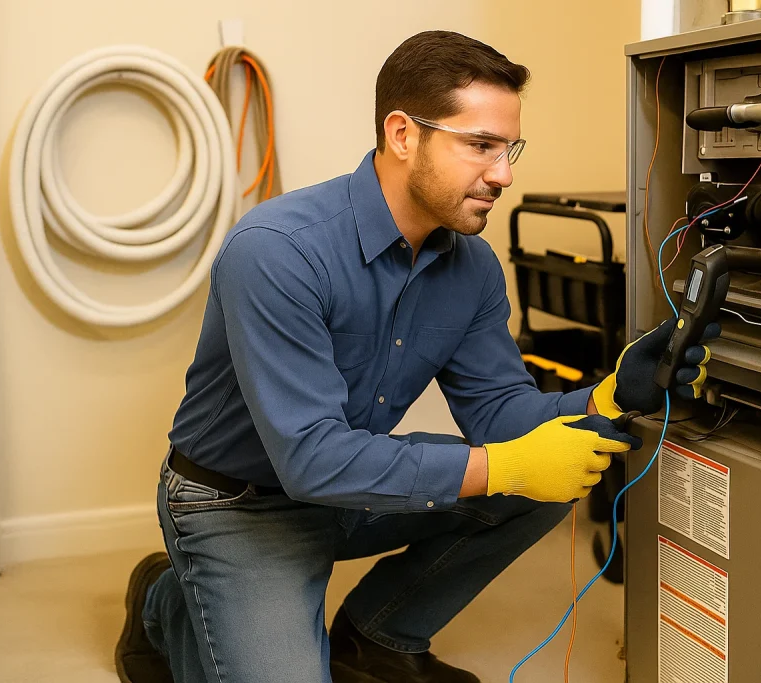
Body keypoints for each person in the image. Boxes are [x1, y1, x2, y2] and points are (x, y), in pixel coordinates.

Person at [114, 30, 715, 683]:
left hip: (347, 486)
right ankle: (166, 598)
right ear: (403, 135)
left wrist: (610, 397)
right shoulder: (276, 251)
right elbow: (313, 457)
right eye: (480, 145)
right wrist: (504, 463)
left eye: (508, 147)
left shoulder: (472, 267)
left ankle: (378, 634)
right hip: (237, 504)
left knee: (550, 477)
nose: (504, 173)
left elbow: (500, 413)